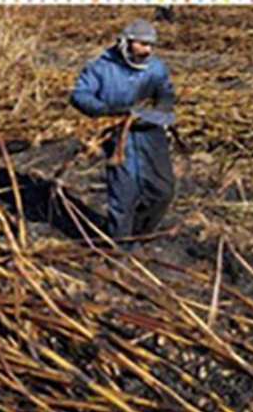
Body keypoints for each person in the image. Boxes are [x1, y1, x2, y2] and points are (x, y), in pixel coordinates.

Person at [70, 19, 177, 246]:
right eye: (142, 44)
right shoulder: (100, 67)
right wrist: (106, 110)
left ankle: (139, 234)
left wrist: (159, 109)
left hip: (151, 134)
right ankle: (120, 247)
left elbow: (166, 95)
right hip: (118, 137)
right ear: (125, 43)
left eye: (151, 45)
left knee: (162, 190)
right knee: (123, 195)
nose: (147, 50)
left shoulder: (156, 68)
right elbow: (80, 95)